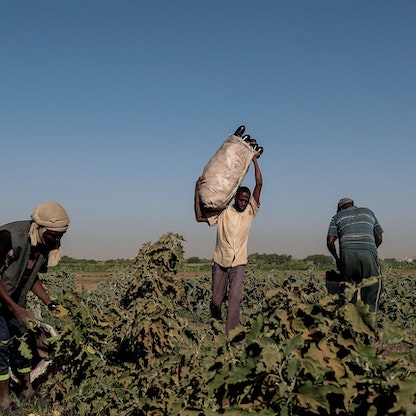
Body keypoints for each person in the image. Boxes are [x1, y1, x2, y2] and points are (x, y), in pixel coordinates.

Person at [0, 201, 69, 412]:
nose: (57, 240)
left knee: (24, 341)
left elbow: (31, 275)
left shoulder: (42, 244)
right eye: (53, 235)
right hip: (4, 300)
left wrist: (50, 303)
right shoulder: (9, 237)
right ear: (40, 228)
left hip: (14, 301)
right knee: (1, 345)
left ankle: (27, 390)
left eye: (60, 236)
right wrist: (15, 309)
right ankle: (3, 400)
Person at [194, 153, 262, 338]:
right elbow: (199, 217)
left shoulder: (250, 211)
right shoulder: (223, 212)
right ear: (234, 198)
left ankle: (232, 336)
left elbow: (259, 184)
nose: (243, 202)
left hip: (239, 262)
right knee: (216, 301)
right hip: (220, 262)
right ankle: (215, 328)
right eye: (241, 199)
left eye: (246, 200)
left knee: (235, 299)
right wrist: (196, 191)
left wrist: (254, 160)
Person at [326, 198, 383, 312]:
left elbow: (330, 242)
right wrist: (371, 250)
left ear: (340, 208)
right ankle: (370, 318)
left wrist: (337, 258)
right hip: (368, 253)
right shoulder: (368, 212)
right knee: (374, 286)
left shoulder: (337, 217)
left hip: (347, 255)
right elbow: (379, 238)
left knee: (350, 288)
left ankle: (350, 319)